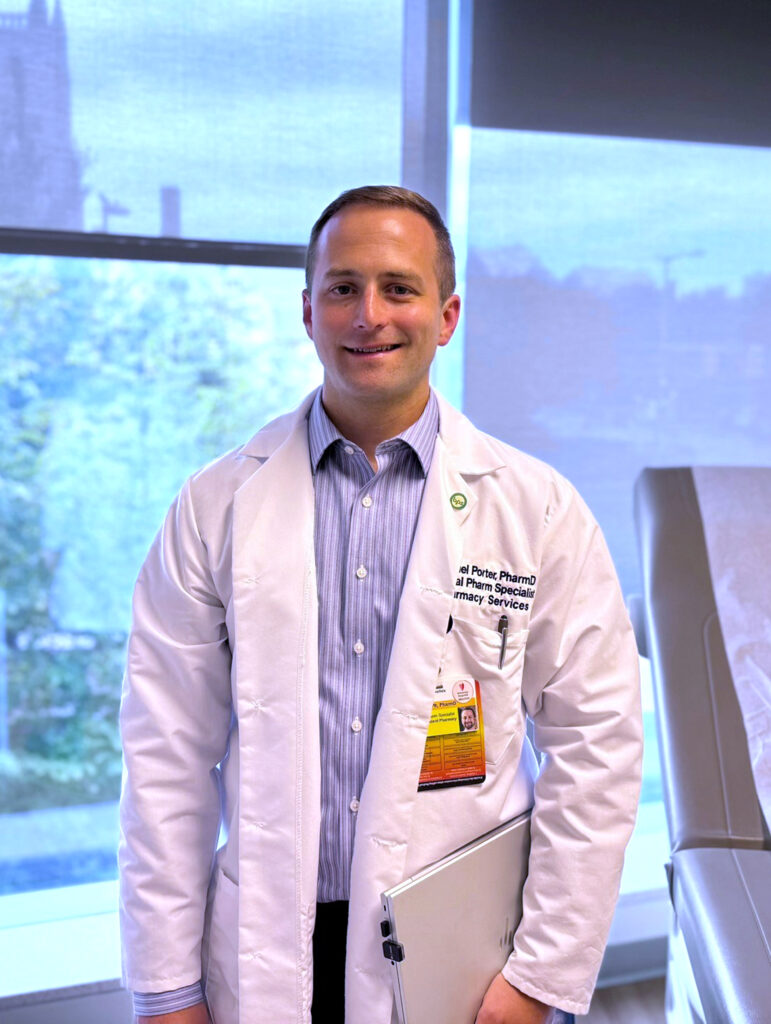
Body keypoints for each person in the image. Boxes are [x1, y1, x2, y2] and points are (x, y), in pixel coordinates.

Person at [119, 185, 642, 1024]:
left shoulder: (537, 511)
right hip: (261, 949)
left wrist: (540, 976)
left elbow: (596, 746)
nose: (369, 314)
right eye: (342, 287)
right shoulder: (215, 506)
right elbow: (166, 758)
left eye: (398, 288)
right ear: (307, 311)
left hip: (458, 956)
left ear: (446, 315)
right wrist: (167, 987)